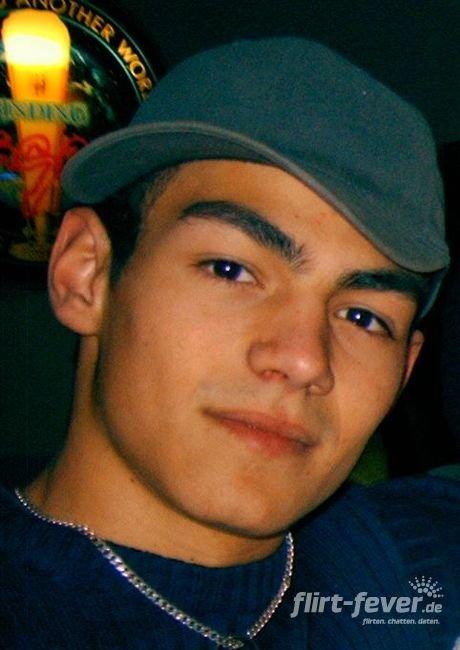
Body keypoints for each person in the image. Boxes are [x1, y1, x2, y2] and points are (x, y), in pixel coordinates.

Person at [1, 37, 458, 649]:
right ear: (87, 274)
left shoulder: (421, 575)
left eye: (362, 317)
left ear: (405, 370)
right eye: (230, 270)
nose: (304, 359)